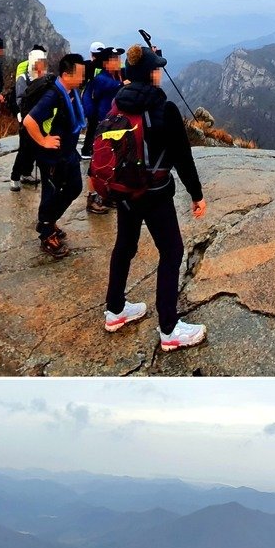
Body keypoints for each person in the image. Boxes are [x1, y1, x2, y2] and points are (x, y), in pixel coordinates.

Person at [101, 44, 208, 352]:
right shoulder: (165, 109)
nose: (160, 72)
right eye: (156, 68)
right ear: (149, 75)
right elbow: (182, 157)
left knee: (124, 245)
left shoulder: (118, 104)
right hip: (156, 193)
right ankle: (170, 329)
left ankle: (115, 309)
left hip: (124, 191)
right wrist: (197, 195)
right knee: (172, 252)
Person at [23, 53, 87, 256]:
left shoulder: (70, 92)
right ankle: (46, 232)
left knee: (75, 187)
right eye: (80, 74)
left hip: (68, 153)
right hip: (52, 157)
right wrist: (43, 141)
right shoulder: (53, 95)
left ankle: (49, 221)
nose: (83, 78)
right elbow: (29, 121)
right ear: (67, 75)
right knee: (51, 192)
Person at [80, 45, 124, 212]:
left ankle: (106, 195)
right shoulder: (104, 80)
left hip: (114, 125)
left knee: (111, 161)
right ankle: (92, 198)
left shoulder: (115, 78)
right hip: (104, 125)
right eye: (114, 59)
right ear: (105, 63)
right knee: (97, 162)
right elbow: (109, 90)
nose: (118, 61)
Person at [9, 48, 47, 192]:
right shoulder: (24, 78)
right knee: (25, 148)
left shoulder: (44, 77)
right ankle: (15, 177)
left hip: (39, 117)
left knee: (34, 147)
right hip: (26, 117)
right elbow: (20, 98)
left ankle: (26, 173)